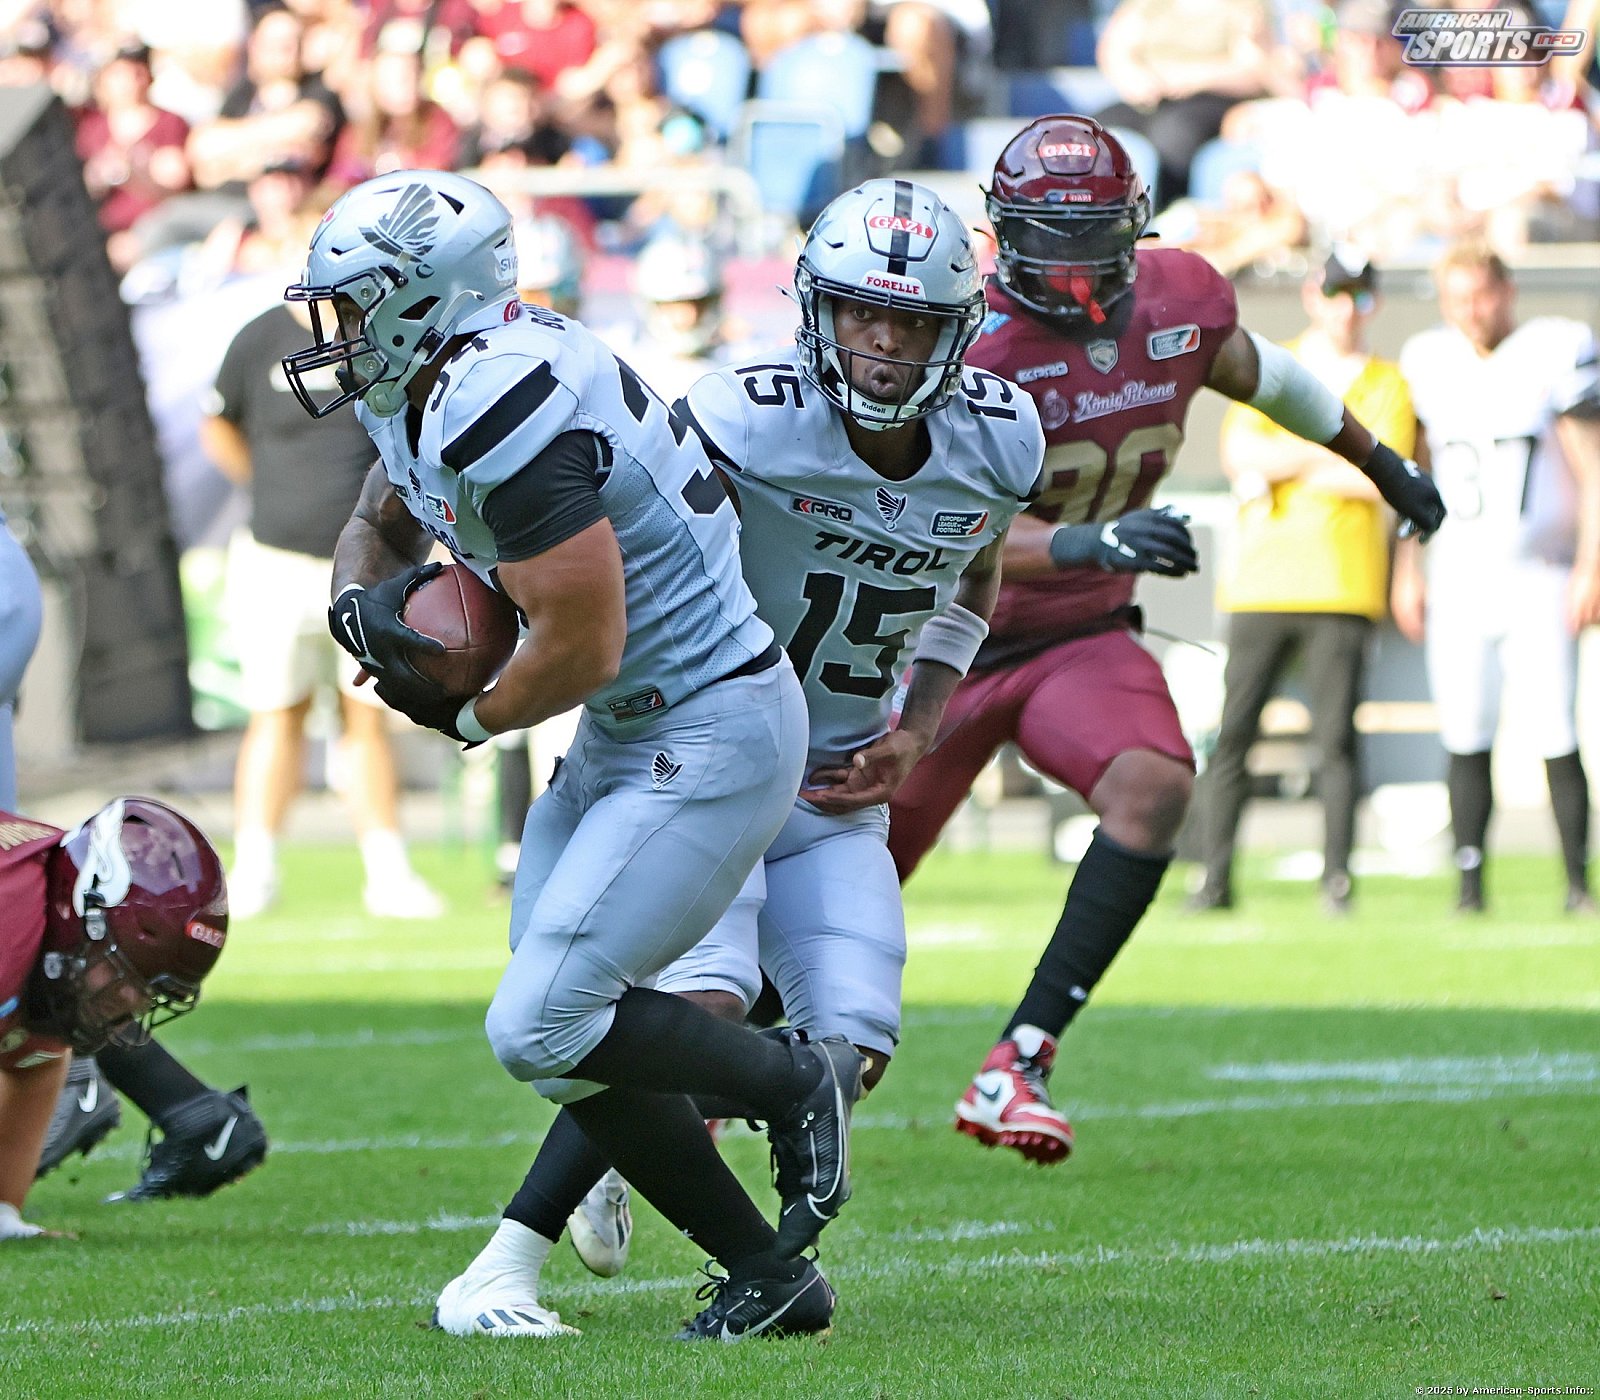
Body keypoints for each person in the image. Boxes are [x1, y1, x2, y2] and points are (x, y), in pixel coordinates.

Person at [437, 176, 1043, 1322]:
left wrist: (918, 725)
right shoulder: (741, 417)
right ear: (816, 306)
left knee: (852, 1054)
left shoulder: (999, 439)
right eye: (862, 311)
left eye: (909, 319)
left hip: (835, 782)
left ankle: (651, 1171)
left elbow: (976, 569)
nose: (882, 340)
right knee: (699, 1008)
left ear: (955, 330)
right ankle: (529, 1247)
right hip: (703, 749)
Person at [285, 168, 861, 1341]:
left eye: (356, 303)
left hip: (707, 723)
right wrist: (354, 609)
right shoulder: (428, 378)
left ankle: (793, 1077)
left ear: (423, 297)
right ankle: (769, 1274)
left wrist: (465, 719)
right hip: (628, 726)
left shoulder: (499, 397)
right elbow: (378, 520)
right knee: (563, 1041)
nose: (337, 330)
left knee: (536, 1020)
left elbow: (583, 641)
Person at [884, 115, 1446, 1165]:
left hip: (1076, 635)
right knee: (844, 907)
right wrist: (1090, 539)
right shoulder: (963, 340)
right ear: (1002, 234)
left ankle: (1020, 1061)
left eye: (1093, 234)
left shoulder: (1179, 300)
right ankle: (696, 1082)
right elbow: (938, 522)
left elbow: (1265, 373)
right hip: (933, 651)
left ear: (1134, 226)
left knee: (1154, 786)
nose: (1072, 262)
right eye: (1050, 237)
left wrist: (1383, 464)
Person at [201, 277, 444, 922]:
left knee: (365, 716)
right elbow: (218, 425)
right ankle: (255, 869)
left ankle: (387, 872)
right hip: (275, 557)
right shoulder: (259, 337)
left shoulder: (380, 337)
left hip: (365, 560)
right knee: (275, 713)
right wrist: (272, 492)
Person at [1192, 249, 1420, 915]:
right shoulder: (1277, 365)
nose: (1348, 308)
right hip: (1261, 582)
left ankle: (1337, 880)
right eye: (1338, 293)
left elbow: (1381, 477)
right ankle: (1213, 878)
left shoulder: (1388, 382)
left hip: (1342, 584)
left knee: (1336, 742)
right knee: (1234, 737)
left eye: (1361, 295)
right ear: (1314, 296)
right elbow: (1240, 453)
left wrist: (1294, 459)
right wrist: (1337, 448)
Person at [1391, 241, 1600, 914]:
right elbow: (1413, 478)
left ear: (1507, 291)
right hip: (1458, 572)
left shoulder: (1553, 348)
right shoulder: (1427, 359)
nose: (1470, 312)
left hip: (1540, 572)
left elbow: (1592, 465)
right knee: (1465, 728)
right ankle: (1470, 887)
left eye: (1481, 296)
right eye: (1457, 299)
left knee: (1554, 727)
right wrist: (1406, 568)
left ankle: (1577, 884)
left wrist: (1591, 563)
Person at [0, 798, 229, 1240]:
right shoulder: (10, 933)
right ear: (84, 917)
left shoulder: (51, 899)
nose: (132, 1004)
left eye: (148, 993)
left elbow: (35, 1064)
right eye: (127, 976)